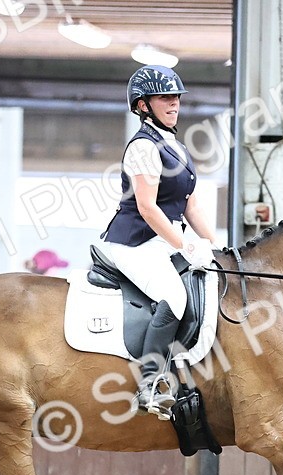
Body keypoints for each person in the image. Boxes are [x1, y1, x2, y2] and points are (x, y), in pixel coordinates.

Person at [98, 65, 220, 419]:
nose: (174, 103)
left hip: (163, 240)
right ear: (142, 106)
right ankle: (150, 384)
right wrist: (184, 245)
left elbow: (191, 206)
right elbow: (148, 208)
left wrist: (213, 245)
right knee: (175, 296)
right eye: (165, 97)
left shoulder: (176, 147)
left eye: (176, 97)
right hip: (134, 241)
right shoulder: (142, 148)